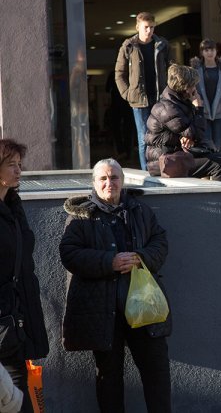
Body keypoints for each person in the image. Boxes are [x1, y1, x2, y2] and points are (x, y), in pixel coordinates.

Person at [59, 158, 172, 413]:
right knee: (109, 378)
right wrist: (109, 262)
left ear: (122, 181)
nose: (110, 183)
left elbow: (160, 241)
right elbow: (69, 253)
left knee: (157, 372)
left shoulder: (140, 210)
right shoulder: (81, 216)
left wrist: (141, 258)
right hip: (103, 311)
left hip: (144, 307)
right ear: (94, 184)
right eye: (103, 178)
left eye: (114, 178)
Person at [0, 139, 49, 413]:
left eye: (20, 165)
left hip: (17, 318)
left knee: (20, 397)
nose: (19, 171)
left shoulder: (15, 207)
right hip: (3, 318)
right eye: (11, 165)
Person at [145, 64, 221, 183]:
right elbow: (195, 133)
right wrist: (198, 108)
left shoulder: (180, 102)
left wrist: (190, 137)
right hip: (164, 163)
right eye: (193, 85)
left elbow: (195, 134)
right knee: (219, 164)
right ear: (184, 87)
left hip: (176, 156)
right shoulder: (167, 108)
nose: (195, 89)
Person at [115, 12, 171, 171]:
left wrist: (170, 92)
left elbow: (171, 68)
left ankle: (161, 169)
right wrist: (127, 93)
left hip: (159, 97)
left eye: (152, 27)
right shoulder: (129, 45)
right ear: (138, 26)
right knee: (143, 138)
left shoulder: (162, 44)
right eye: (146, 27)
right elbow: (119, 73)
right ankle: (146, 172)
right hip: (139, 99)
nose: (149, 31)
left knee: (161, 136)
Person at [190, 39, 221, 152]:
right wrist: (198, 102)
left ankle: (218, 168)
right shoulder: (196, 70)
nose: (210, 52)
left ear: (216, 51)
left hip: (220, 113)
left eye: (212, 49)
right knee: (207, 142)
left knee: (218, 144)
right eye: (206, 50)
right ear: (201, 52)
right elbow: (191, 89)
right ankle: (210, 167)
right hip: (203, 112)